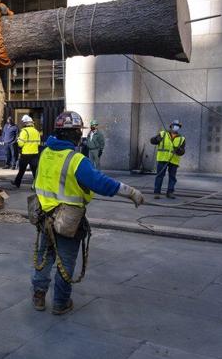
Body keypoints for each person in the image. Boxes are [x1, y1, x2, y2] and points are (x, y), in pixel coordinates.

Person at [31, 111, 144, 315]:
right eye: (78, 132)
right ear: (75, 133)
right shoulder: (76, 160)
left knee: (44, 257)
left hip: (44, 217)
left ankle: (38, 296)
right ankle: (60, 303)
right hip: (67, 221)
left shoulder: (45, 152)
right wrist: (130, 192)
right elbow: (100, 183)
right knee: (65, 262)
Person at [150, 120, 185, 199]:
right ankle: (157, 192)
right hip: (162, 158)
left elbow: (182, 151)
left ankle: (170, 192)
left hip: (174, 160)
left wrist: (179, 150)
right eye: (175, 125)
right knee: (160, 176)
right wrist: (156, 139)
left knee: (172, 177)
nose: (176, 127)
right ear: (171, 126)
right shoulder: (163, 134)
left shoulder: (181, 138)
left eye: (178, 126)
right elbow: (152, 141)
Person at [11, 115, 40, 188]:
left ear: (25, 123)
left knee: (21, 170)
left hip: (25, 154)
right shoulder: (36, 131)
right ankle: (37, 185)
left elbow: (20, 144)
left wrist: (18, 140)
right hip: (35, 154)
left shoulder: (24, 131)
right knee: (35, 171)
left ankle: (17, 183)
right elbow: (38, 143)